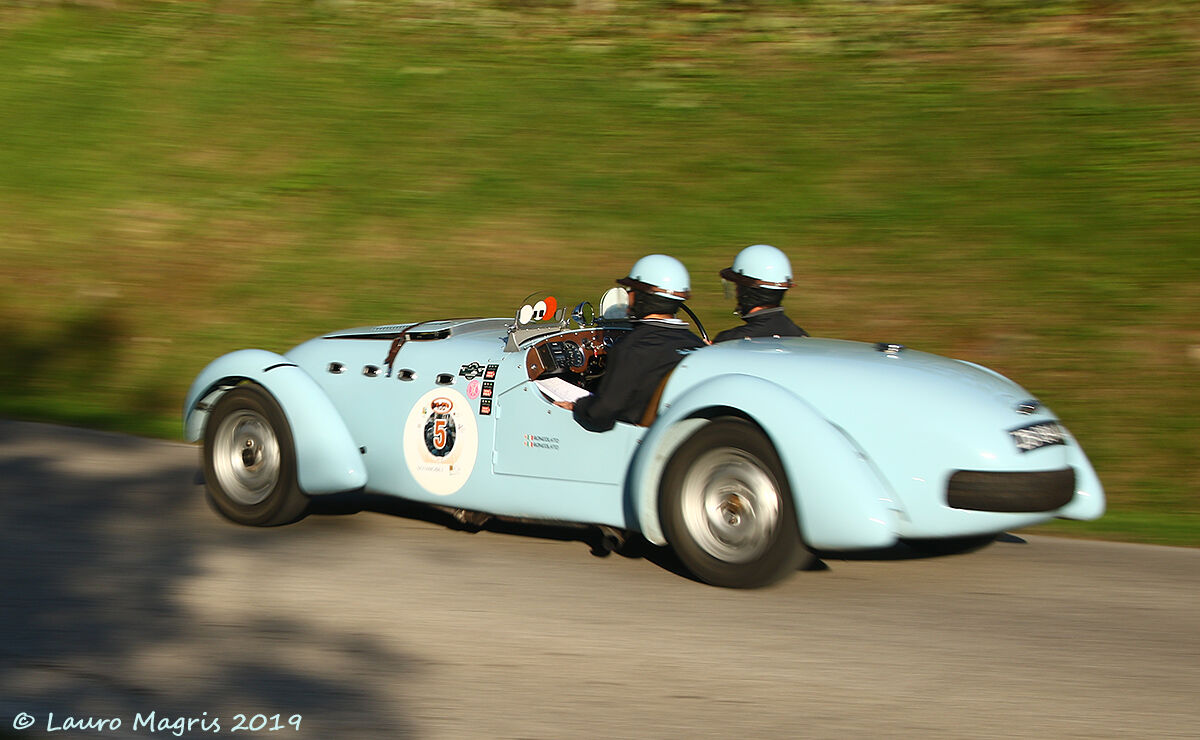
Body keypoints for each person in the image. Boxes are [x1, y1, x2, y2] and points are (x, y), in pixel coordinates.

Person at [555, 255, 704, 432]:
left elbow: (601, 414)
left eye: (631, 290)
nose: (628, 295)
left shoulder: (632, 348)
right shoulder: (697, 345)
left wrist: (577, 406)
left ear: (643, 297)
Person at [713, 243, 808, 343]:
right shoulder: (803, 338)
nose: (736, 291)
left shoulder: (729, 341)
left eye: (737, 286)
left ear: (746, 291)